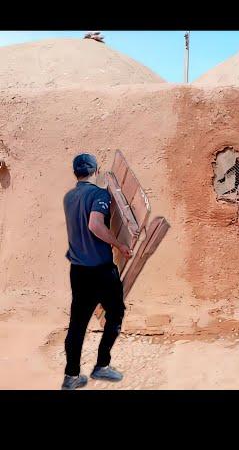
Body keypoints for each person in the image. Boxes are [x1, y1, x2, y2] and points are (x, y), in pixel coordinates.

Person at [61, 153, 132, 390]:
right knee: (116, 312)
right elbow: (94, 224)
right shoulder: (99, 194)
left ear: (75, 172)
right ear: (95, 170)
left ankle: (71, 376)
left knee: (77, 323)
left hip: (78, 271)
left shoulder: (69, 197)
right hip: (100, 270)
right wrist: (119, 244)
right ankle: (102, 365)